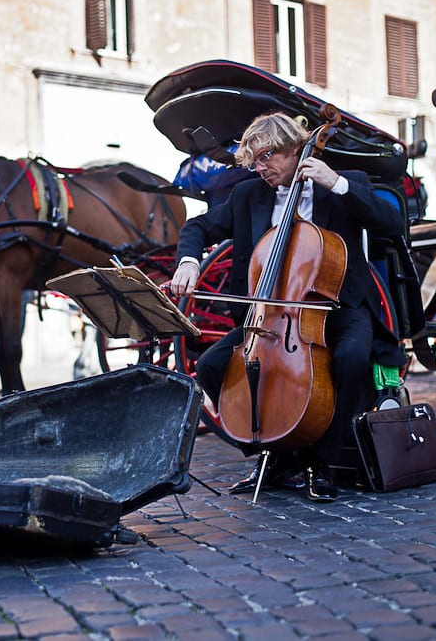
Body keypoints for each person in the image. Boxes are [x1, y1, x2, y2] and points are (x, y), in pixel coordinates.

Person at [170, 112, 406, 503]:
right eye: (255, 160)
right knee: (210, 367)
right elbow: (198, 227)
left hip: (338, 307)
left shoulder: (345, 185)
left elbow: (392, 225)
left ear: (296, 149)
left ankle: (322, 463)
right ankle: (275, 455)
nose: (261, 168)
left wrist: (339, 184)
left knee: (350, 357)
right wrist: (189, 260)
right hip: (272, 316)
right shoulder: (249, 195)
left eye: (268, 158)